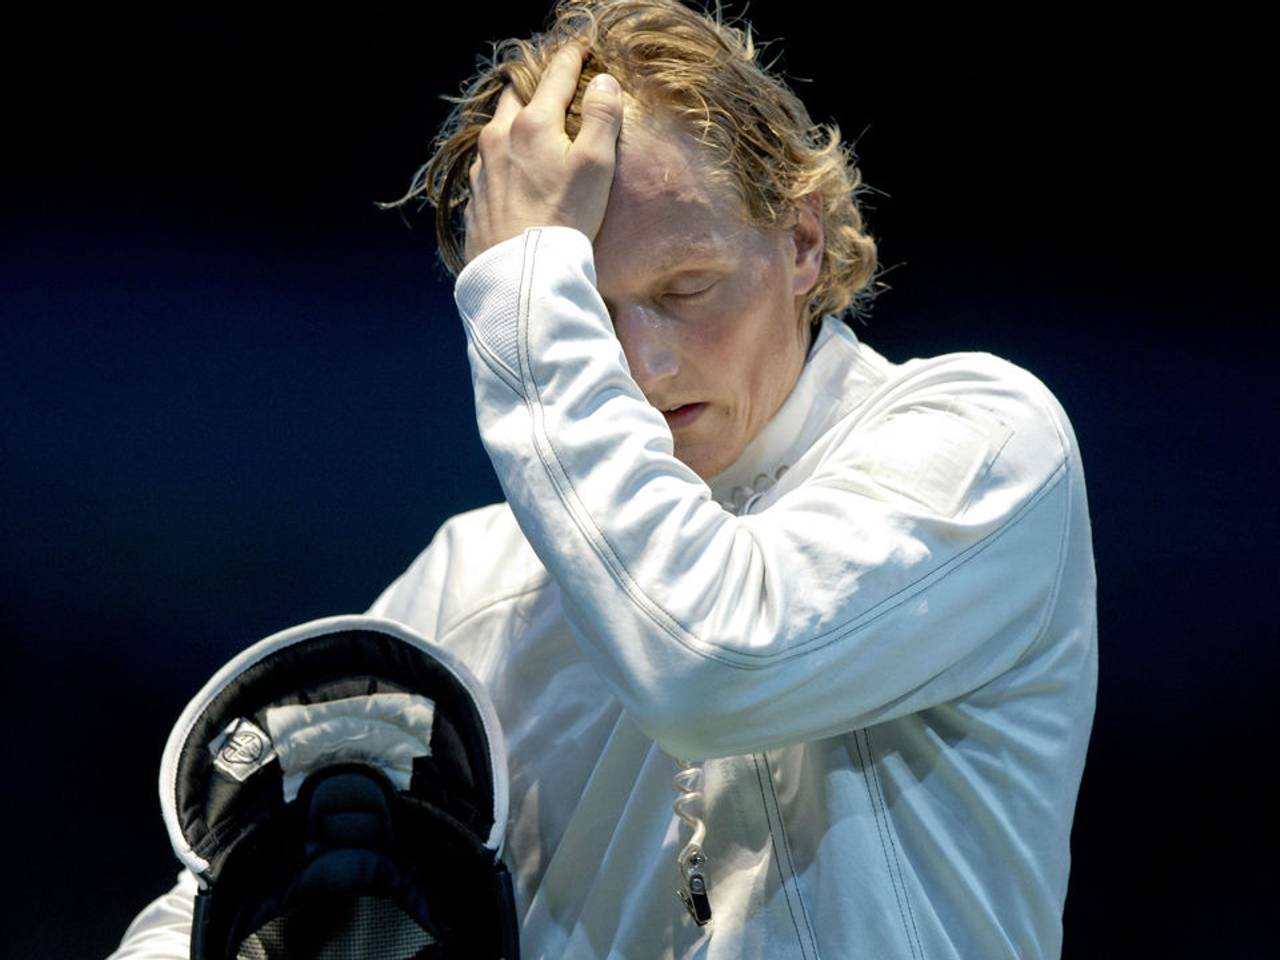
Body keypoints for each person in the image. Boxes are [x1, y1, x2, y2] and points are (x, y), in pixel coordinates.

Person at [109, 1, 1097, 958]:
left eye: (686, 289)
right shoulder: (477, 578)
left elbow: (706, 661)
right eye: (589, 309)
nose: (643, 367)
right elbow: (205, 899)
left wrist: (527, 288)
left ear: (801, 241)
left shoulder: (986, 441)